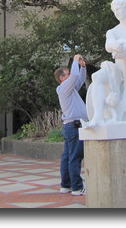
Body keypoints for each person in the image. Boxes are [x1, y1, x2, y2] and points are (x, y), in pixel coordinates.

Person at [54, 54, 88, 196]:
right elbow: (74, 77)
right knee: (75, 158)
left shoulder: (70, 89)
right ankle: (77, 187)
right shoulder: (63, 88)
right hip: (74, 127)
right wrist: (75, 60)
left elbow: (78, 79)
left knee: (68, 157)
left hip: (71, 126)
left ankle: (66, 185)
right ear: (62, 78)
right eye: (66, 74)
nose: (69, 76)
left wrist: (83, 67)